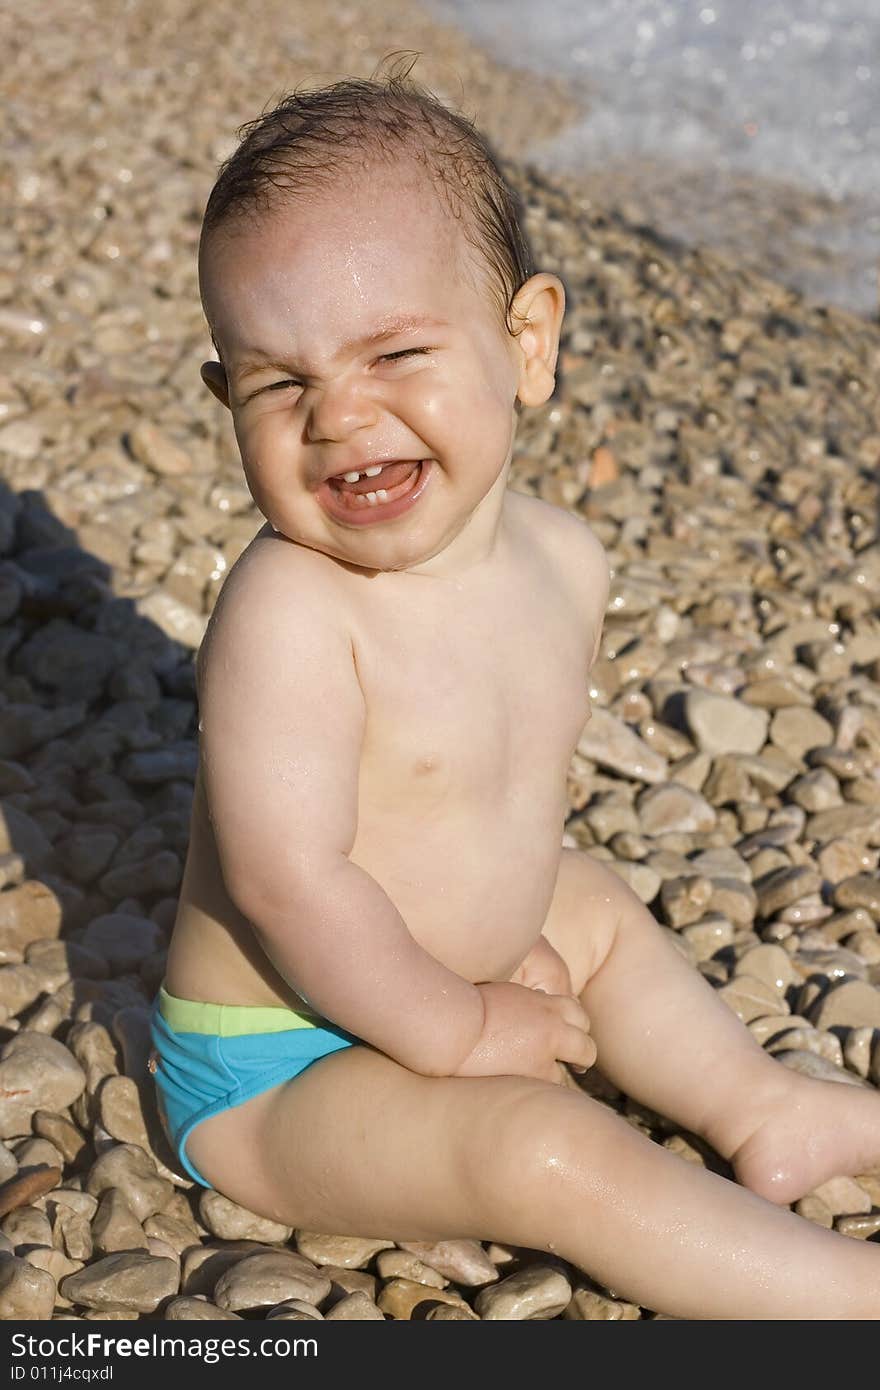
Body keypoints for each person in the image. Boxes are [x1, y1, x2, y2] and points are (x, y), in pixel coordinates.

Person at [150, 57, 880, 1319]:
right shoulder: (289, 612)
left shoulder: (564, 561)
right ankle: (843, 1300)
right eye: (279, 382)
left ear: (524, 344)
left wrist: (506, 939)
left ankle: (761, 1105)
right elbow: (286, 881)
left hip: (439, 981)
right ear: (227, 402)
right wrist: (453, 1026)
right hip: (278, 1069)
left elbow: (495, 802)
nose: (339, 416)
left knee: (589, 900)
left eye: (393, 351)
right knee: (540, 1155)